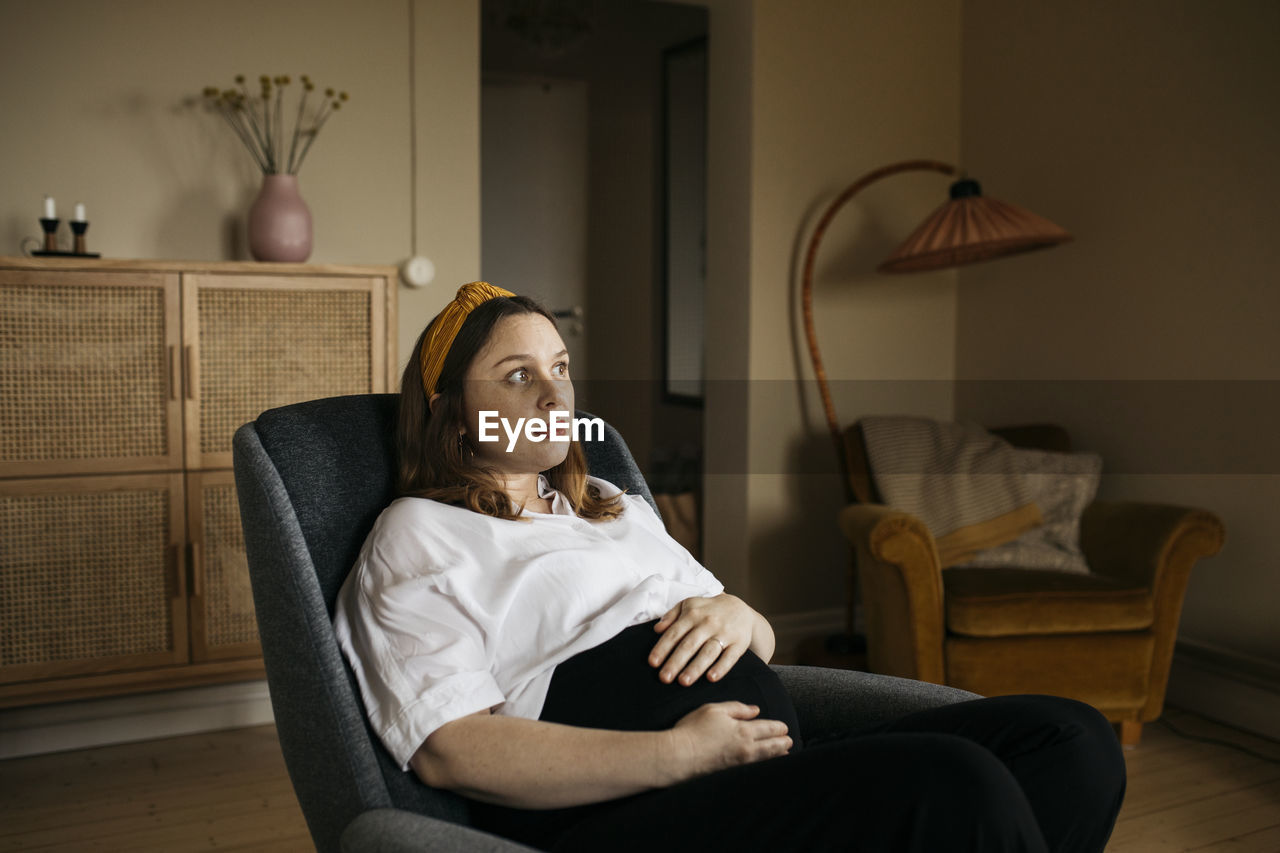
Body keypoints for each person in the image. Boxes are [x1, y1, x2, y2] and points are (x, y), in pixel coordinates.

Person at [334, 282, 1126, 852]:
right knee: (956, 783)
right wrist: (674, 754)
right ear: (447, 409)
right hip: (627, 807)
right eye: (518, 376)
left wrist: (742, 614)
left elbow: (752, 636)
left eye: (562, 366)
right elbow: (449, 745)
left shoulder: (609, 501)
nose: (555, 392)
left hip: (760, 765)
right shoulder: (421, 534)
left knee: (1072, 738)